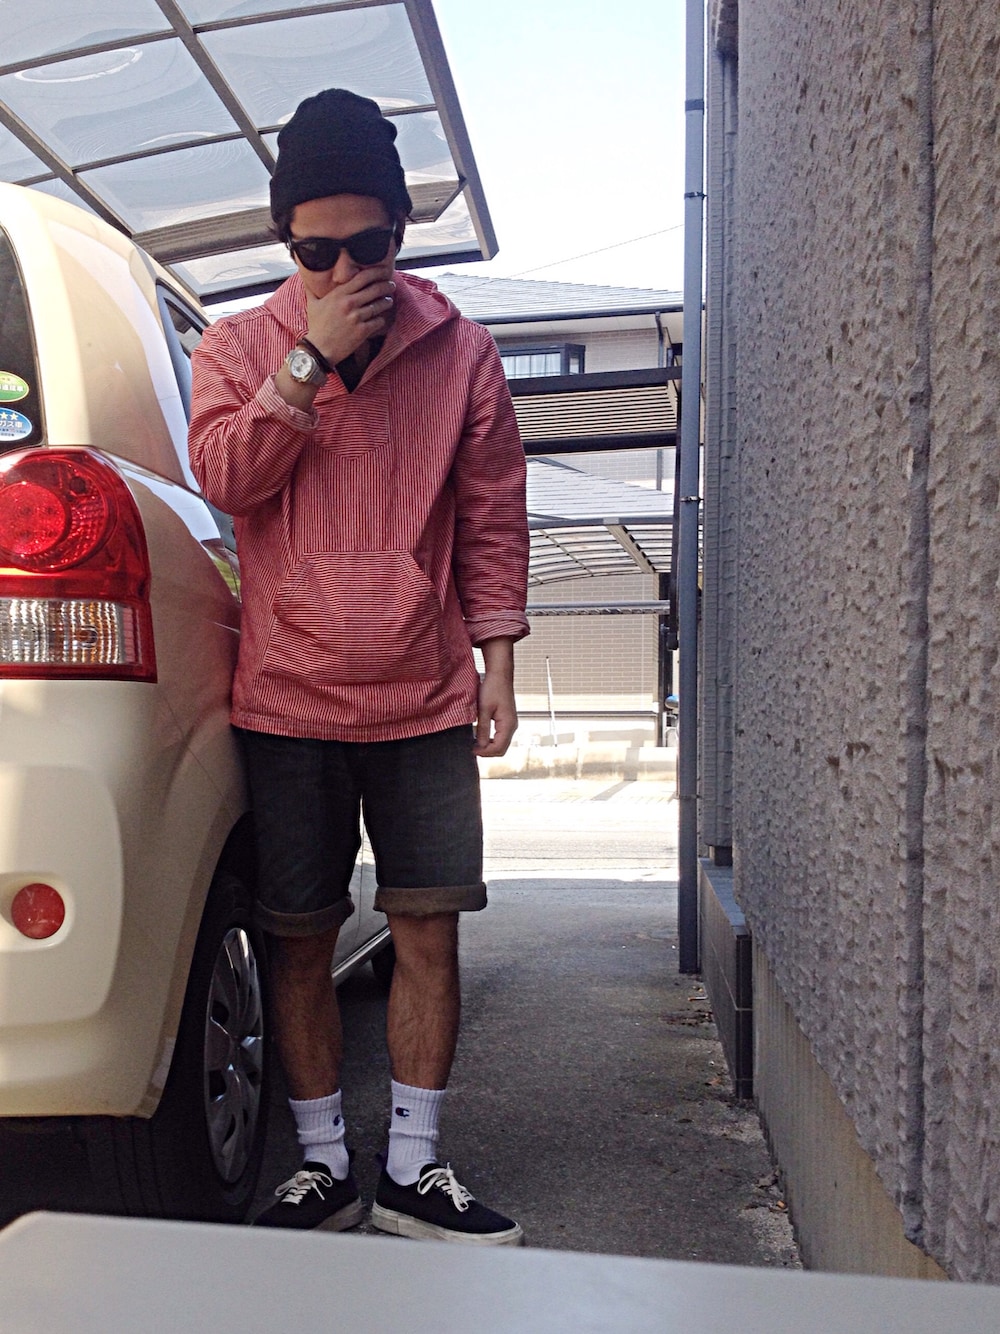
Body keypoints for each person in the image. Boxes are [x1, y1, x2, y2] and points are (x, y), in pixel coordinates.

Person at [188, 88, 528, 1244]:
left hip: (424, 694)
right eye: (314, 251)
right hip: (288, 697)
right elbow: (224, 477)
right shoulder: (238, 345)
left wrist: (496, 660)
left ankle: (415, 1167)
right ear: (286, 241)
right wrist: (306, 361)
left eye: (366, 245)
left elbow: (490, 515)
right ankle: (323, 1164)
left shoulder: (459, 349)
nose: (342, 271)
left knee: (429, 928)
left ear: (401, 230)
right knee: (298, 933)